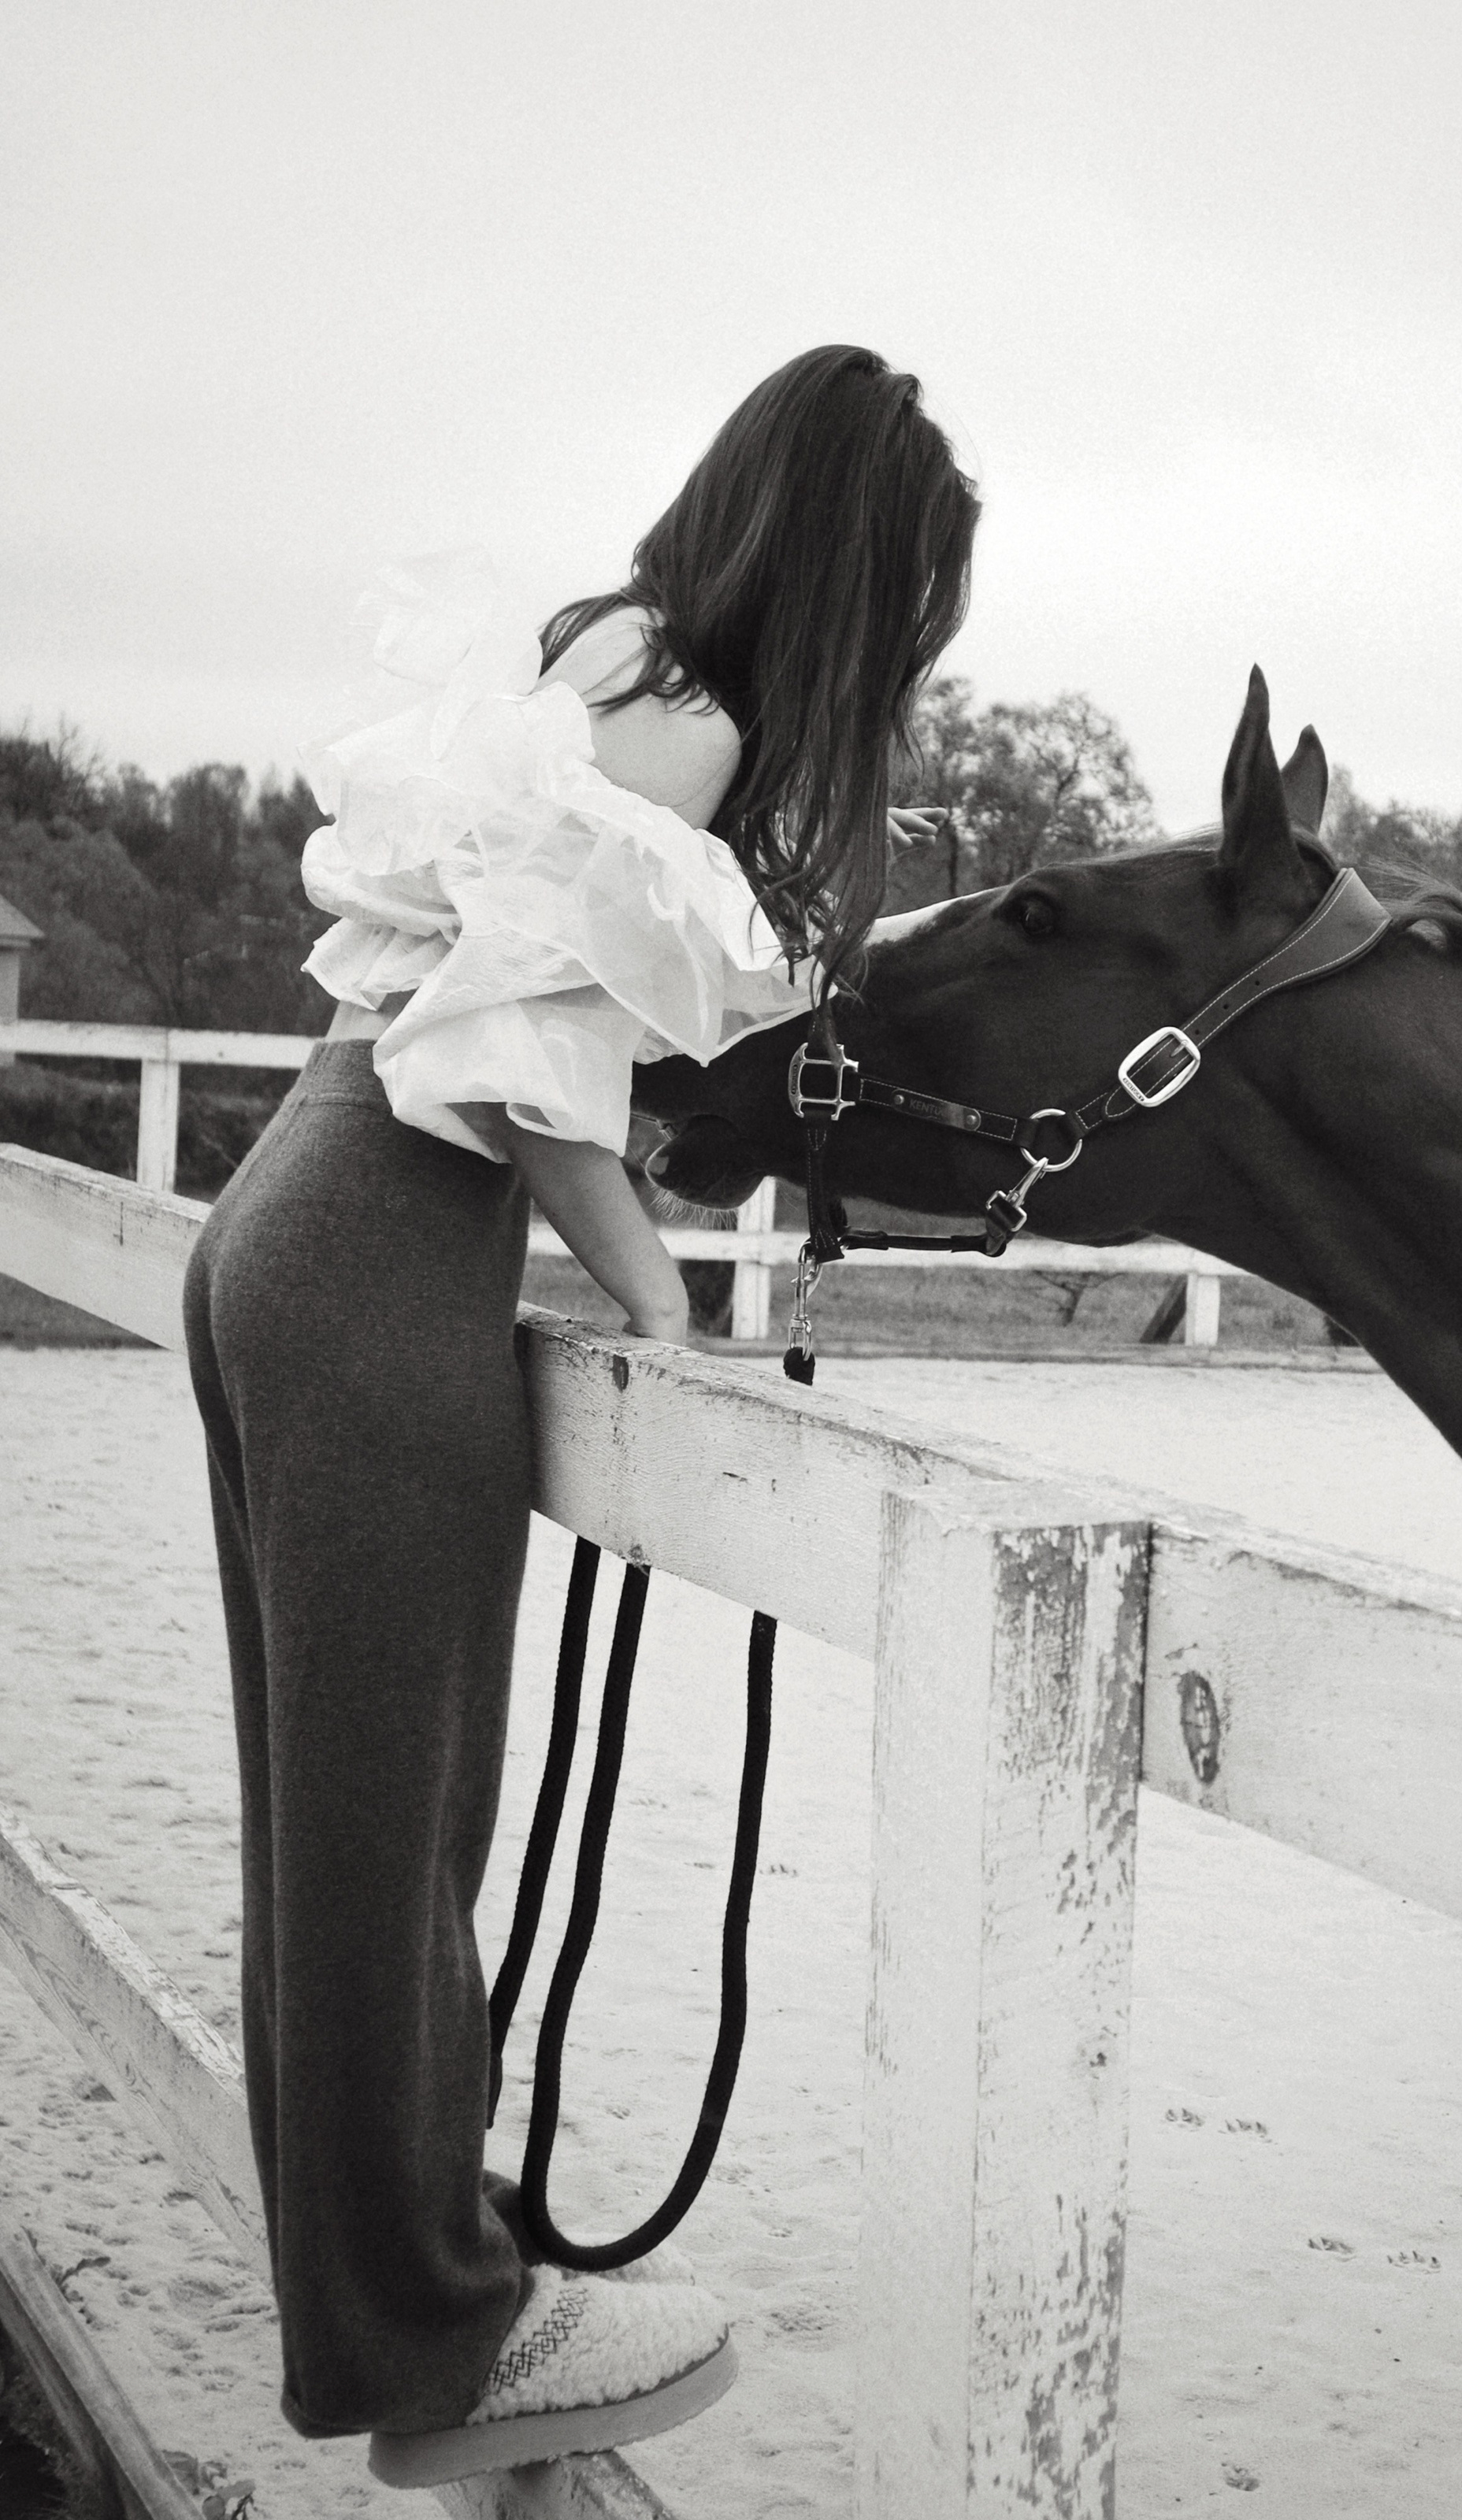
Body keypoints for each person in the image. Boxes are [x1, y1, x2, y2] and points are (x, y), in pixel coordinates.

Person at [181, 346, 978, 2488]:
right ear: (856, 573)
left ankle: (401, 2292)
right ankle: (429, 2335)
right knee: (389, 1836)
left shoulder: (597, 650)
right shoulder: (695, 725)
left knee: (349, 1826)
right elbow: (518, 1048)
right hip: (378, 1260)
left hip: (295, 1216)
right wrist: (658, 1304)